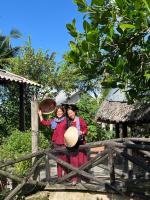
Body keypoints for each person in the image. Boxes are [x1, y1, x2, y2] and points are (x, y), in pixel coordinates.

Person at [38, 105, 68, 178]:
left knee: (65, 160)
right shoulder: (54, 120)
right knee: (58, 161)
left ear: (63, 112)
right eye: (57, 112)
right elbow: (44, 122)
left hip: (65, 143)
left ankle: (67, 177)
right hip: (56, 143)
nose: (59, 113)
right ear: (56, 112)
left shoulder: (66, 120)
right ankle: (60, 178)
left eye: (60, 111)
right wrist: (40, 115)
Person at [66, 105, 88, 185]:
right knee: (74, 162)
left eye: (71, 113)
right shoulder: (69, 122)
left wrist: (82, 132)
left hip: (80, 144)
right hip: (72, 145)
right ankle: (74, 179)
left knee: (82, 161)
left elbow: (85, 129)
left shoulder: (80, 120)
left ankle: (83, 177)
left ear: (74, 112)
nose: (70, 114)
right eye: (69, 114)